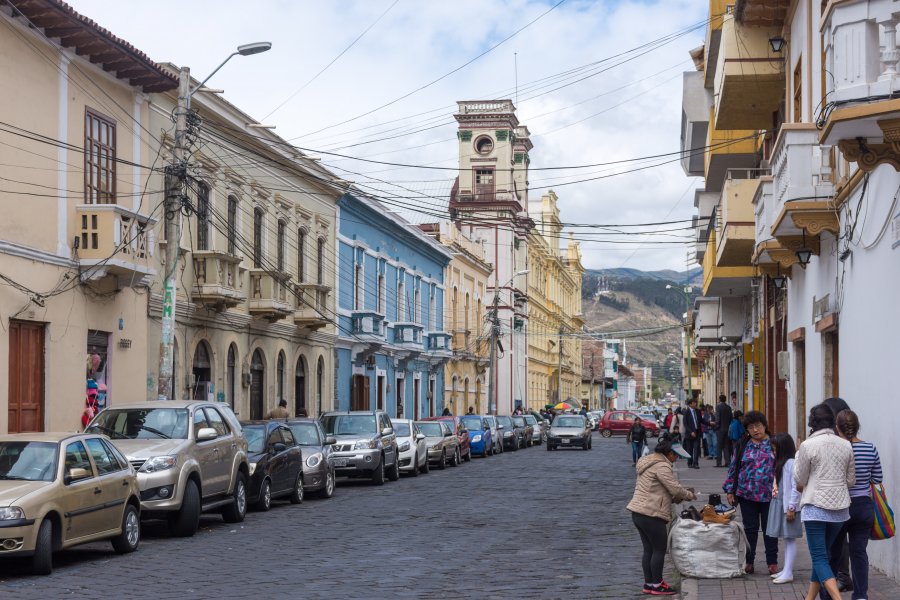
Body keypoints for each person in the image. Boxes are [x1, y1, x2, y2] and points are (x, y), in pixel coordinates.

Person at [794, 403, 855, 600]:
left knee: (820, 557)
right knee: (822, 557)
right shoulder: (846, 444)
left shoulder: (807, 446)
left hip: (815, 507)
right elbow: (850, 480)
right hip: (839, 509)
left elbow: (800, 479)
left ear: (812, 422)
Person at [627, 438, 697, 596]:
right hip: (651, 513)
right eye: (676, 456)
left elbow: (660, 489)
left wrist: (677, 496)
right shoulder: (662, 466)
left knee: (648, 549)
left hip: (638, 512)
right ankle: (658, 585)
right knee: (659, 549)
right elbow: (674, 489)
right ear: (669, 453)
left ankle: (649, 583)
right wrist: (689, 495)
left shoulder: (648, 461)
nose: (676, 459)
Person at [831, 409, 882, 600]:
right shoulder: (870, 448)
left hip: (839, 505)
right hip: (863, 506)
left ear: (837, 428)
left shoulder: (836, 449)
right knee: (859, 553)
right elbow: (877, 478)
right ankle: (861, 595)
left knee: (834, 552)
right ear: (857, 426)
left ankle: (829, 594)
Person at [723, 410, 778, 574]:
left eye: (758, 426)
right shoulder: (742, 444)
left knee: (770, 529)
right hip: (746, 494)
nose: (755, 430)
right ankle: (749, 561)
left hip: (770, 495)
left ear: (765, 426)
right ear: (746, 430)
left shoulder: (775, 443)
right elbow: (734, 467)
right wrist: (730, 489)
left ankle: (772, 562)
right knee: (750, 529)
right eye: (751, 427)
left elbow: (783, 467)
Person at [821, 397, 853, 596]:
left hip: (841, 497)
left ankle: (841, 577)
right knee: (838, 541)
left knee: (837, 541)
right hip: (840, 496)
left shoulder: (845, 444)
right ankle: (841, 577)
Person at [767, 433, 802, 584]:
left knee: (789, 538)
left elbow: (795, 487)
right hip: (782, 504)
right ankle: (786, 569)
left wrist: (792, 507)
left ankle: (788, 572)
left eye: (775, 449)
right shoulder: (784, 463)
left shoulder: (791, 463)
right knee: (787, 538)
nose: (773, 452)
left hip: (788, 506)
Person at [682, 398, 701, 469]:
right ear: (690, 404)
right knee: (689, 450)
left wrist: (709, 423)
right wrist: (691, 432)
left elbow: (701, 421)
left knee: (696, 448)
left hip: (697, 433)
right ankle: (689, 463)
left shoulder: (698, 411)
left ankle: (695, 463)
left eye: (696, 402)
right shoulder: (686, 412)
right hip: (689, 434)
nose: (695, 404)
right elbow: (685, 424)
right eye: (694, 403)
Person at [715, 394, 734, 468]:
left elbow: (718, 418)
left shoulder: (718, 407)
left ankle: (719, 462)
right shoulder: (728, 407)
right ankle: (728, 462)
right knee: (726, 446)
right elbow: (731, 418)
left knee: (719, 446)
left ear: (719, 399)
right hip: (727, 429)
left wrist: (716, 426)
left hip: (720, 430)